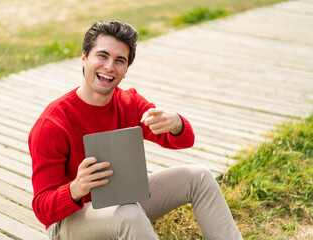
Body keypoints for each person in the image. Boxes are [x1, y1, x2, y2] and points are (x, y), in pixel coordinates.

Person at [28, 20, 243, 240]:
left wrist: (176, 123)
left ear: (125, 70)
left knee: (199, 177)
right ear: (84, 58)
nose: (110, 67)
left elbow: (184, 140)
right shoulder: (52, 124)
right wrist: (76, 188)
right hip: (70, 221)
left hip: (121, 200)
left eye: (119, 61)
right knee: (129, 214)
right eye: (102, 56)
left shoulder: (130, 102)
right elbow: (43, 210)